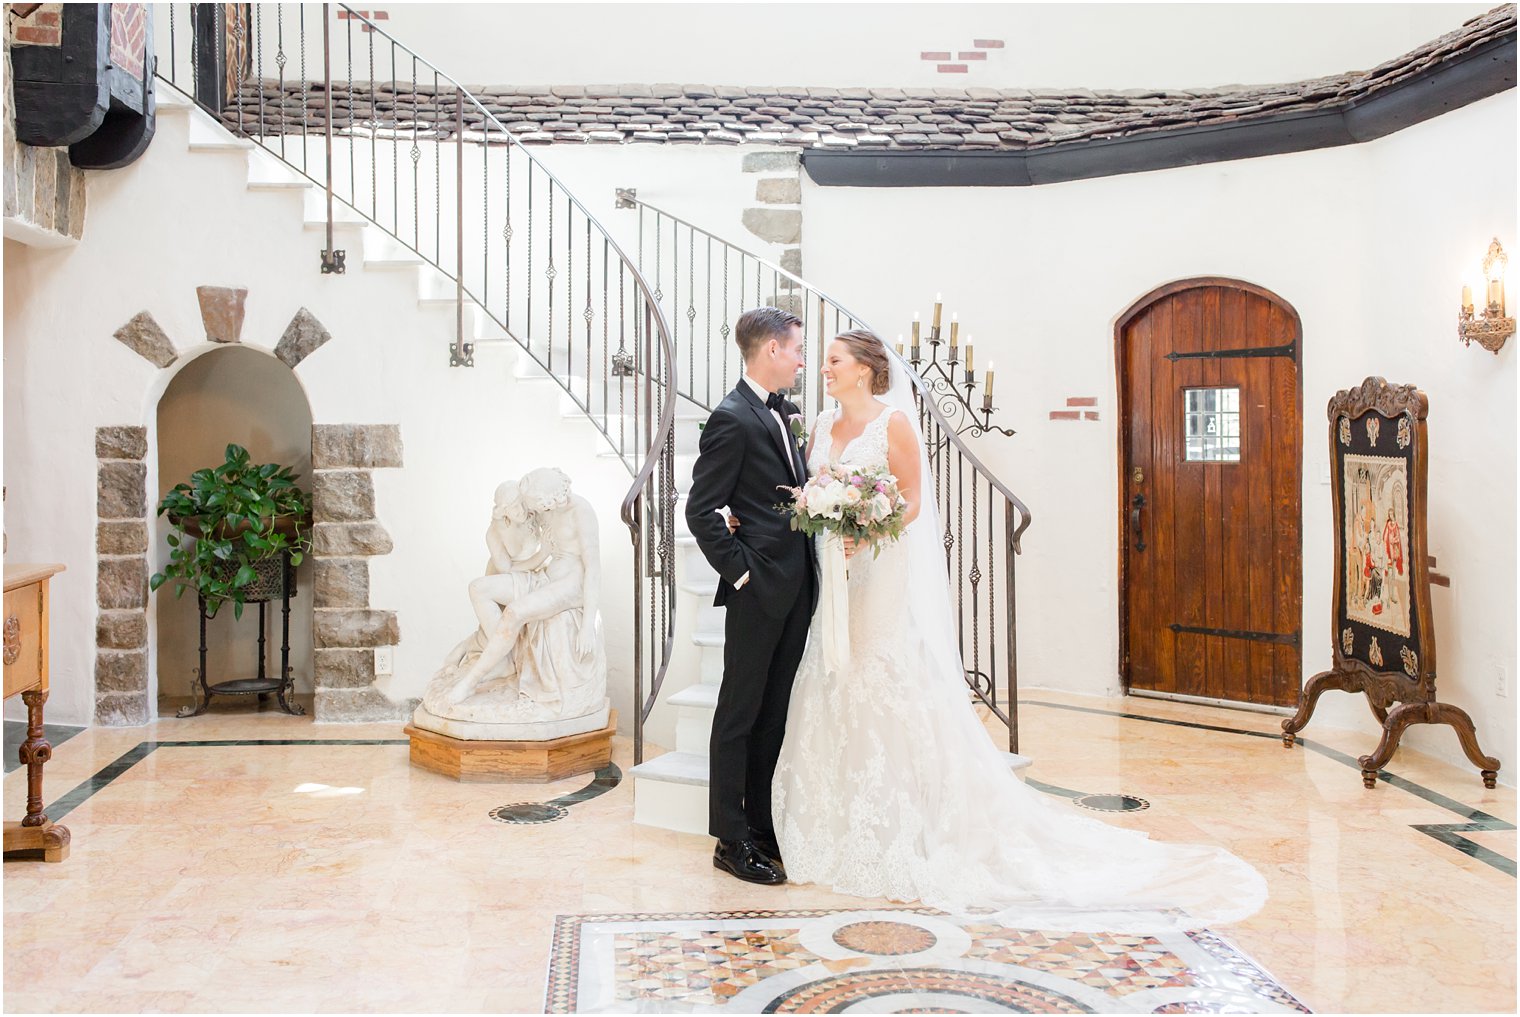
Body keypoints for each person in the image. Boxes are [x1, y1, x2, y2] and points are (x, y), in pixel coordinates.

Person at [769, 328, 1267, 931]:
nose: (824, 368)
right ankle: (838, 820)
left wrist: (863, 532)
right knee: (835, 671)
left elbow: (911, 503)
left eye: (834, 361)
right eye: (822, 361)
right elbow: (818, 488)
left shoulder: (894, 423)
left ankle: (906, 826)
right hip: (838, 574)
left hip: (880, 569)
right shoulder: (821, 426)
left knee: (881, 673)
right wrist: (825, 519)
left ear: (866, 370)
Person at [685, 306, 819, 886]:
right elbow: (700, 510)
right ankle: (729, 838)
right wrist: (742, 572)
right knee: (739, 713)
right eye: (796, 349)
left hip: (798, 585)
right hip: (758, 587)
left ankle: (761, 827)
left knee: (772, 715)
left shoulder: (782, 413)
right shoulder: (732, 417)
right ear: (770, 350)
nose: (802, 359)